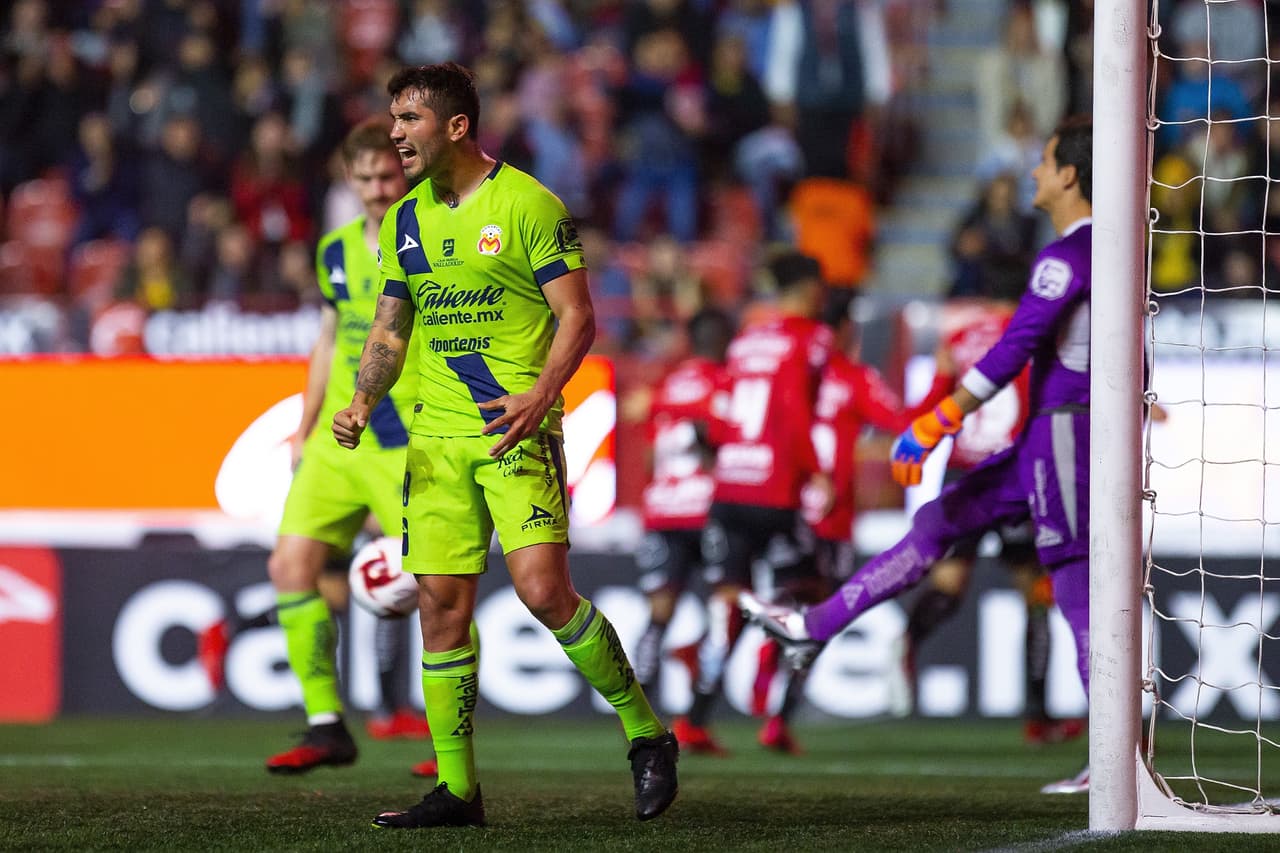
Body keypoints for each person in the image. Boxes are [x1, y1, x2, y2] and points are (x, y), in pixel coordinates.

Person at [332, 62, 678, 829]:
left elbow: (578, 316)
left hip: (514, 428)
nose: (396, 134)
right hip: (436, 440)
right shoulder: (406, 220)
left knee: (544, 592)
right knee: (440, 610)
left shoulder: (528, 203)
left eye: (411, 119)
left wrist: (542, 395)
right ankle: (458, 790)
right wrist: (361, 399)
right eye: (393, 119)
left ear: (457, 126)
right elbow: (391, 326)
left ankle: (647, 733)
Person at [741, 115, 1095, 795]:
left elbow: (1018, 344)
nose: (1034, 173)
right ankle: (816, 627)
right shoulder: (1102, 252)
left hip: (1066, 432)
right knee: (939, 520)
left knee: (1071, 583)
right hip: (1048, 436)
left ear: (1070, 175)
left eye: (1045, 163)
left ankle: (1117, 759)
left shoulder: (1068, 256)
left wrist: (939, 418)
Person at [261, 117, 432, 776]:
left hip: (402, 439)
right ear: (349, 179)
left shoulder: (428, 239)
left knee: (440, 589)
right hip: (337, 438)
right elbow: (329, 340)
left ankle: (453, 747)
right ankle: (326, 723)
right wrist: (304, 428)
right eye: (365, 178)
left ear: (407, 171)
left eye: (387, 175)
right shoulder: (334, 247)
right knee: (289, 569)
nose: (377, 188)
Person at [752, 292, 952, 753]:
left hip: (783, 507)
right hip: (831, 517)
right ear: (843, 330)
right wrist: (942, 379)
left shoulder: (783, 370)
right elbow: (905, 422)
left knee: (788, 592)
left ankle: (768, 655)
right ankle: (779, 713)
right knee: (822, 617)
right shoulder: (851, 378)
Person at [672, 250, 833, 756]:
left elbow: (720, 421)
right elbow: (795, 414)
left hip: (730, 490)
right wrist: (817, 473)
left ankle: (696, 717)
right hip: (775, 491)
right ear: (809, 289)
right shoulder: (810, 339)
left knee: (728, 603)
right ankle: (775, 700)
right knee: (811, 595)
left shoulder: (745, 340)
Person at [633, 308, 734, 700]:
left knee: (659, 613)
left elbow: (648, 457)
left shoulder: (669, 385)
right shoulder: (724, 383)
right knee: (728, 605)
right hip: (706, 508)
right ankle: (698, 701)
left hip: (662, 509)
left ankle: (637, 706)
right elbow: (715, 440)